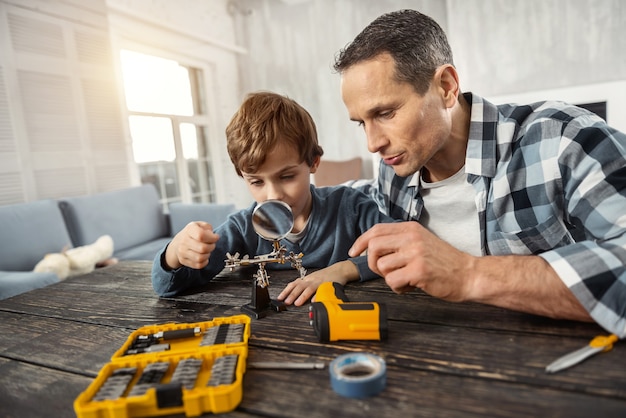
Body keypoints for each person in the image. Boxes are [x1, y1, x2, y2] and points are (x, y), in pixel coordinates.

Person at [333, 9, 626, 337]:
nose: (373, 143)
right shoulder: (395, 170)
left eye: (386, 113)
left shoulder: (564, 139)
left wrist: (467, 274)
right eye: (362, 123)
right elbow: (352, 198)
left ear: (446, 87)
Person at [151, 91, 393, 306]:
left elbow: (397, 247)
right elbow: (166, 286)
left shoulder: (350, 207)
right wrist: (175, 253)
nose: (273, 195)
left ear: (313, 162)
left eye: (286, 176)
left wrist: (343, 270)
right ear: (242, 176)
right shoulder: (243, 227)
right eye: (256, 181)